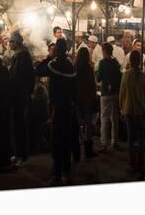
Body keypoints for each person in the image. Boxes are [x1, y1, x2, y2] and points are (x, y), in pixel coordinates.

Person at [45, 38, 77, 186]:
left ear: (58, 48)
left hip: (57, 107)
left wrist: (49, 57)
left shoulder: (54, 64)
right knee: (66, 139)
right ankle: (66, 171)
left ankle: (57, 172)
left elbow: (39, 70)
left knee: (57, 141)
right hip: (68, 106)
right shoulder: (70, 66)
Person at [119, 51, 145, 176]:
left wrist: (121, 107)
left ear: (130, 61)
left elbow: (122, 94)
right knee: (141, 138)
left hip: (128, 110)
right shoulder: (143, 76)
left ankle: (132, 163)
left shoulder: (125, 75)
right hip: (141, 111)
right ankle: (140, 163)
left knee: (131, 139)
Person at [7, 31, 35, 167]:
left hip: (20, 96)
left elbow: (25, 77)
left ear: (16, 43)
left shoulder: (23, 57)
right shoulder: (18, 56)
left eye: (10, 41)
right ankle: (18, 153)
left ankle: (21, 155)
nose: (8, 44)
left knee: (20, 126)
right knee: (17, 125)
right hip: (17, 96)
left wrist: (25, 92)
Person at [95, 43, 122, 152]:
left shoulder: (102, 63)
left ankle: (104, 143)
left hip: (106, 93)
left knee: (104, 118)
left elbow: (98, 78)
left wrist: (97, 74)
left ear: (104, 51)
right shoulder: (116, 63)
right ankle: (114, 141)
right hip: (115, 93)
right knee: (115, 118)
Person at [74, 46, 97, 159]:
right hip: (87, 99)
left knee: (77, 124)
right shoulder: (89, 67)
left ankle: (77, 150)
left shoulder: (75, 67)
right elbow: (93, 84)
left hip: (77, 98)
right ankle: (88, 150)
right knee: (88, 124)